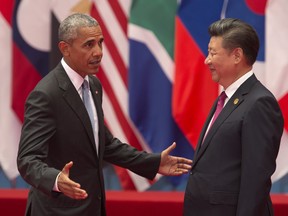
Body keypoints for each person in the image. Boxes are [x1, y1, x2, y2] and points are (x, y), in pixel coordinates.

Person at [17, 13, 192, 216]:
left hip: (91, 208)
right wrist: (55, 180)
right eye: (89, 45)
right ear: (65, 49)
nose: (98, 52)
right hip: (58, 210)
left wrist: (152, 163)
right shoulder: (46, 94)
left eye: (100, 43)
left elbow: (105, 144)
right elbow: (27, 159)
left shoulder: (93, 85)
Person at [183, 18, 284, 216]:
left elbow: (255, 180)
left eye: (213, 52)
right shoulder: (226, 99)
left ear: (237, 55)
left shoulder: (259, 103)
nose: (207, 60)